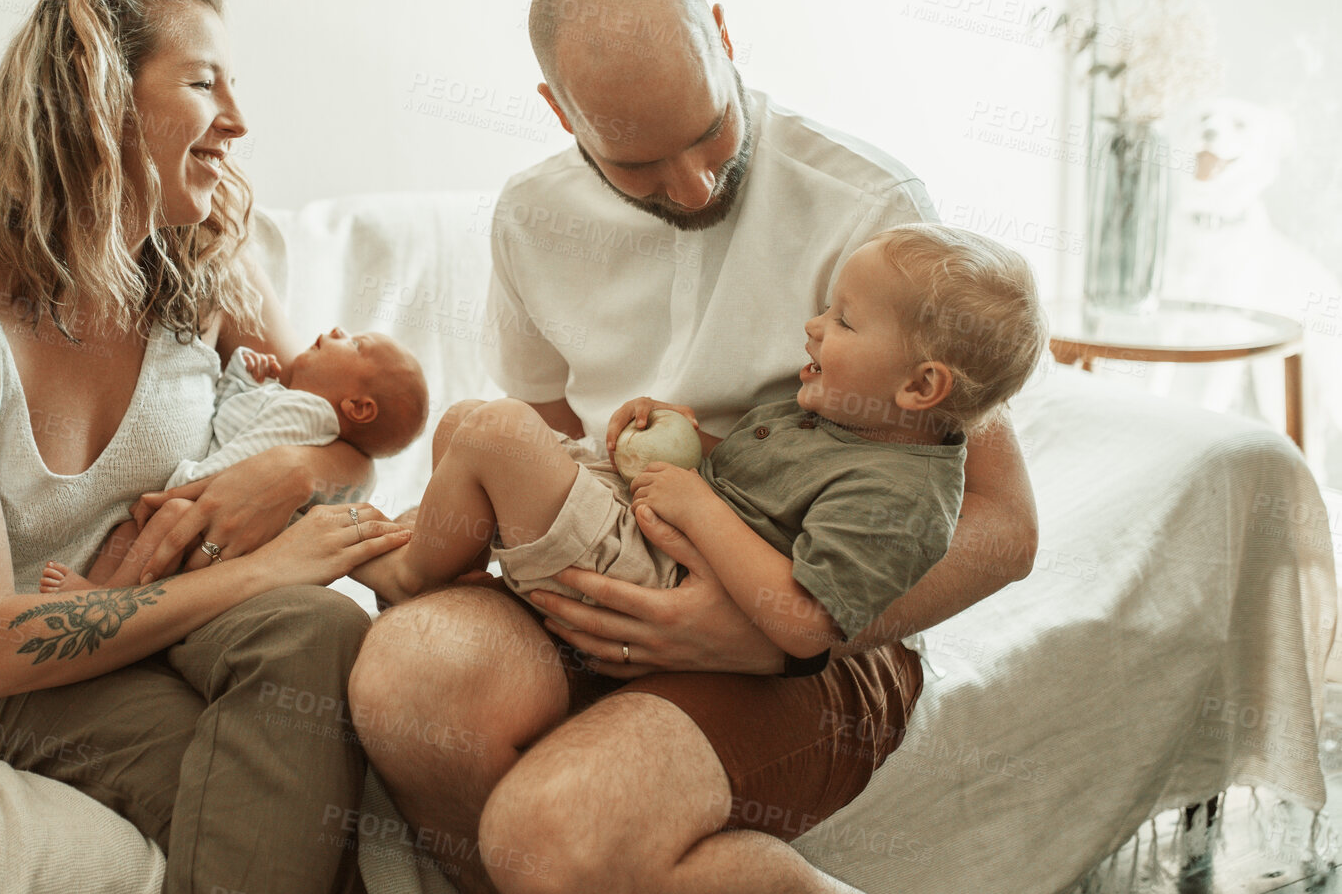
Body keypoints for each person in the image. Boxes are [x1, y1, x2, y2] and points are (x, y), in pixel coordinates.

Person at [347, 0, 1040, 894]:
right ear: (559, 112)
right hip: (618, 576)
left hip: (808, 638)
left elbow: (1002, 524)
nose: (694, 187)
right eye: (636, 162)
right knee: (407, 677)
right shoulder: (530, 218)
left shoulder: (870, 210)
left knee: (552, 834)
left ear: (721, 35)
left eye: (709, 132)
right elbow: (553, 447)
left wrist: (772, 633)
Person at [0, 0, 411, 894]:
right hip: (5, 676)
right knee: (283, 801)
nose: (238, 121)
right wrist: (259, 570)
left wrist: (287, 471)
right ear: (101, 101)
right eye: (205, 83)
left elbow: (344, 437)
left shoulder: (204, 254)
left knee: (316, 628)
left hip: (177, 617)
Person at [353, 225, 1047, 666]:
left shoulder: (900, 497)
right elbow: (751, 475)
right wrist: (681, 436)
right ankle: (454, 566)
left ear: (920, 386)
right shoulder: (846, 414)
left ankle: (415, 576)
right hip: (653, 522)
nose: (811, 326)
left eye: (842, 320)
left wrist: (694, 506)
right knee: (463, 423)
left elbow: (805, 623)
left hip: (664, 575)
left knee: (494, 432)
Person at [42, 328, 429, 593]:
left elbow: (243, 466)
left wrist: (185, 484)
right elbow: (225, 416)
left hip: (224, 523)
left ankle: (108, 599)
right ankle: (96, 592)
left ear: (358, 407)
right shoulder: (285, 401)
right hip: (217, 517)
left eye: (357, 346)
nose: (336, 332)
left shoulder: (307, 414)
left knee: (172, 512)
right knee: (127, 532)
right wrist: (244, 374)